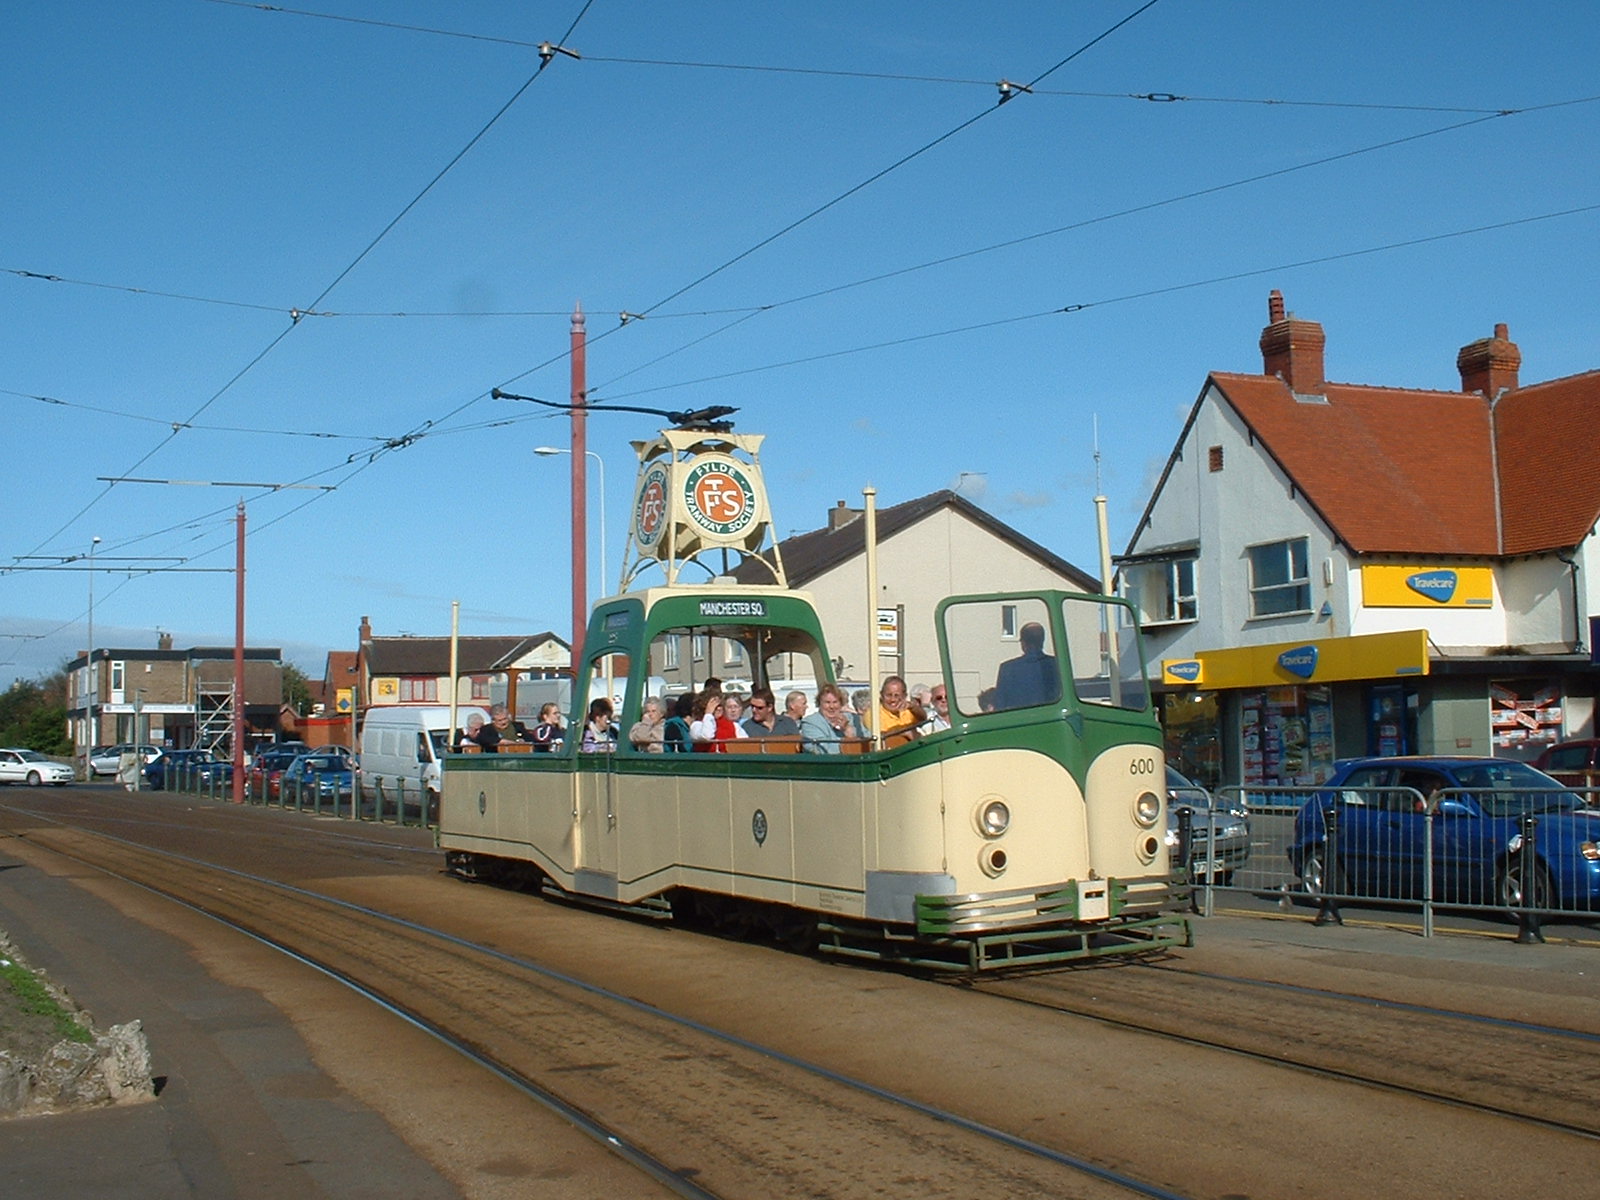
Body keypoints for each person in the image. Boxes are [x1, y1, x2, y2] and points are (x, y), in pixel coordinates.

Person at [992, 621, 1060, 711]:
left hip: (1019, 722)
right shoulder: (1056, 665)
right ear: (1042, 641)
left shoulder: (1008, 669)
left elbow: (1000, 706)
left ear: (1023, 643)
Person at [800, 684, 858, 754]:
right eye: (827, 702)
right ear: (819, 704)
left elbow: (867, 740)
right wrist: (849, 742)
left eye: (835, 702)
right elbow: (822, 750)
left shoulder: (852, 718)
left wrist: (847, 728)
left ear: (841, 704)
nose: (831, 706)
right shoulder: (810, 723)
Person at [877, 675, 922, 740]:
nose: (893, 699)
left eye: (897, 695)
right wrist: (905, 731)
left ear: (905, 696)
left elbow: (923, 719)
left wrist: (913, 707)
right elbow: (880, 736)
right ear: (881, 695)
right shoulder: (874, 714)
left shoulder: (908, 710)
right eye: (888, 695)